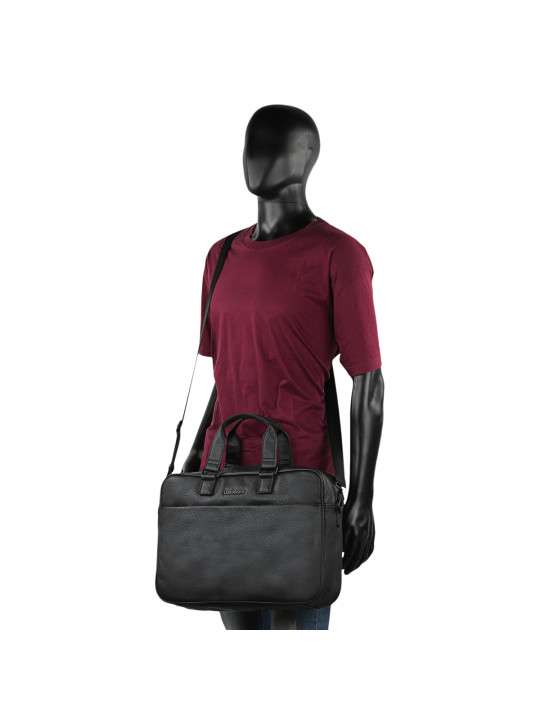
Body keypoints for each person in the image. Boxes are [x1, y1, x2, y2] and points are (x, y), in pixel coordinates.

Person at [183, 105, 385, 630]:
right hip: (224, 479)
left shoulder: (338, 255)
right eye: (252, 145)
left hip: (300, 481)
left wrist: (362, 499)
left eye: (274, 147)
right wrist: (194, 457)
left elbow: (368, 379)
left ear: (306, 159)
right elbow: (225, 372)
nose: (257, 158)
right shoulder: (219, 257)